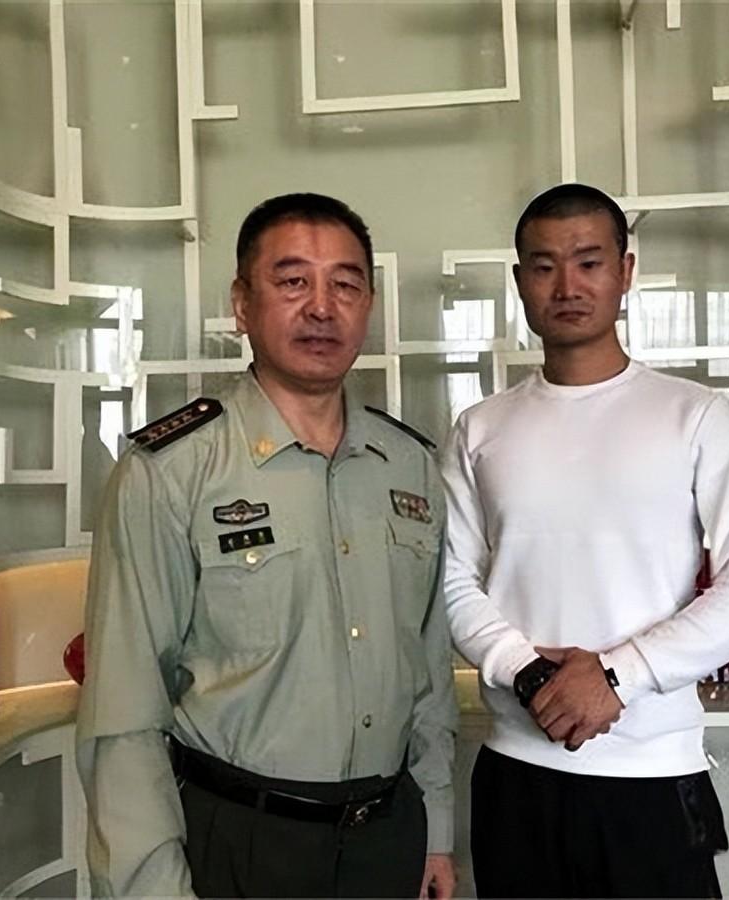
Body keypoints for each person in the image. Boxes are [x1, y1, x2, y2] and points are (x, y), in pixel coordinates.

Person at [76, 193, 458, 899]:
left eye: (345, 284)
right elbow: (125, 710)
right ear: (242, 305)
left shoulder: (410, 466)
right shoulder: (171, 470)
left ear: (368, 305)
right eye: (292, 282)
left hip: (387, 837)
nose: (322, 307)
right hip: (240, 840)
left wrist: (435, 829)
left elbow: (428, 669)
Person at [441, 183, 729, 898]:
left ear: (625, 271)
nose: (567, 286)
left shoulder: (694, 415)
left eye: (589, 262)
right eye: (544, 266)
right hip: (516, 775)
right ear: (519, 281)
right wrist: (526, 672)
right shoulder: (480, 428)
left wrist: (617, 676)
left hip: (652, 776)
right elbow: (451, 578)